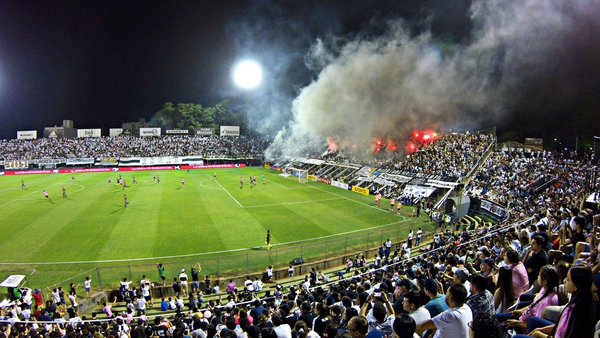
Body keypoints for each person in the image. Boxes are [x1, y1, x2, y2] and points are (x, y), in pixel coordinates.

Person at [513, 265, 594, 338]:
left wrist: (538, 334)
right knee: (533, 321)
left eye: (568, 279)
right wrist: (541, 329)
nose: (564, 280)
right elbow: (559, 326)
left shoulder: (574, 312)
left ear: (577, 286)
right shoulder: (580, 302)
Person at [502, 265, 560, 333]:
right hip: (522, 318)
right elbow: (534, 305)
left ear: (545, 281)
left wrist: (517, 323)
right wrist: (521, 310)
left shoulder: (547, 302)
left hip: (525, 328)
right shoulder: (546, 288)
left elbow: (535, 325)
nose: (538, 277)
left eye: (539, 275)